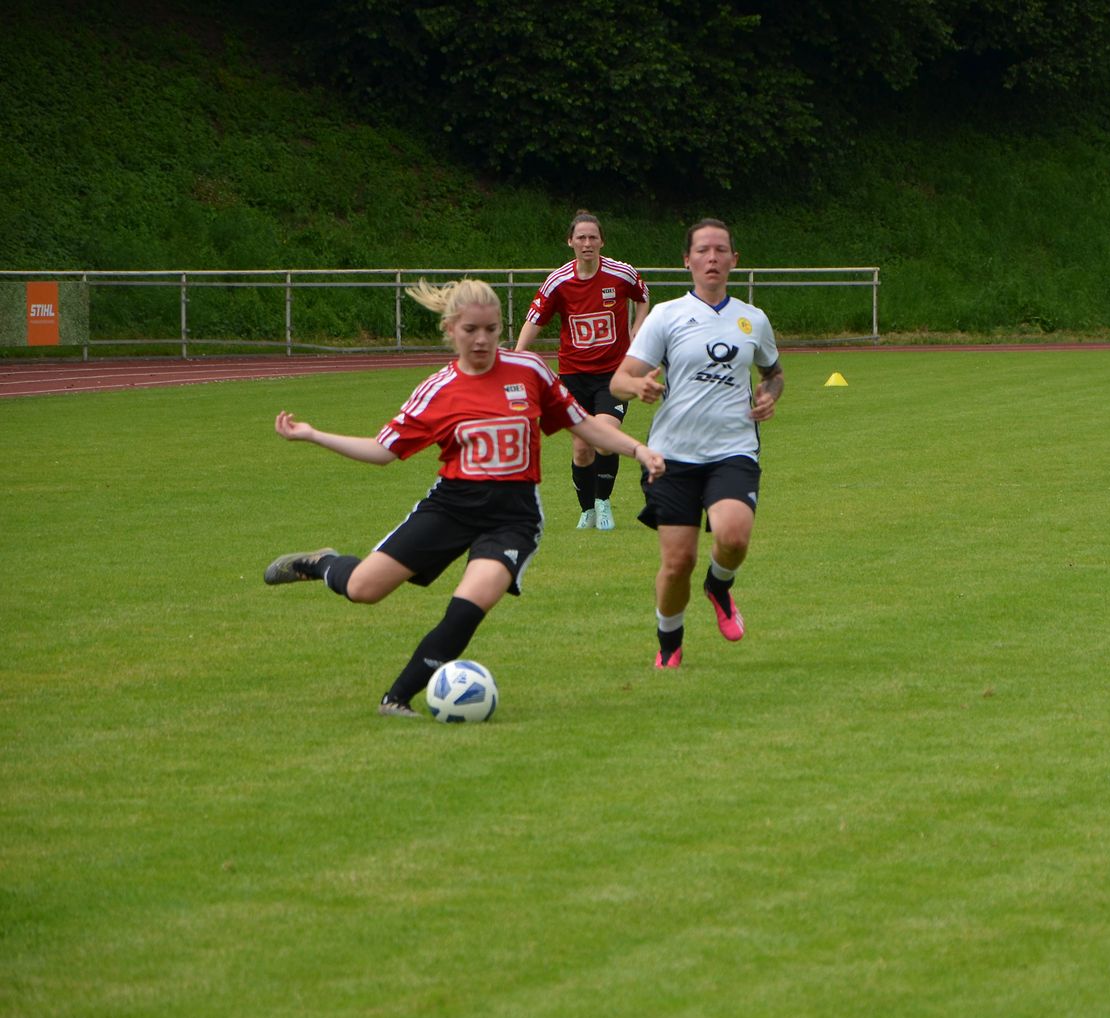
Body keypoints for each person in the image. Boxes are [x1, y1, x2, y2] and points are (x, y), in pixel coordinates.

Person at [264, 278, 666, 718]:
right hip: (451, 507)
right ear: (451, 329)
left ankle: (396, 699)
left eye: (492, 329)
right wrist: (313, 435)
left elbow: (583, 424)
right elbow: (382, 452)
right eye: (471, 329)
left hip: (513, 518)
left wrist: (637, 449)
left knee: (467, 607)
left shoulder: (529, 371)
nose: (482, 340)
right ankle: (321, 562)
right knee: (363, 589)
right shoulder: (438, 389)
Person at [610, 218, 784, 669]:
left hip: (733, 449)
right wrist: (639, 388)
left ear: (733, 260)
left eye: (721, 250)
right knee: (677, 562)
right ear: (687, 260)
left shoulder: (753, 319)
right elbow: (619, 380)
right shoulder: (666, 315)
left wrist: (770, 396)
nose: (712, 257)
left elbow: (774, 373)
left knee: (733, 536)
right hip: (672, 456)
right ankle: (669, 644)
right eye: (703, 250)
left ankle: (719, 586)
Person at [515, 210, 652, 530]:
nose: (587, 243)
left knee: (605, 438)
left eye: (593, 237)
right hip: (573, 376)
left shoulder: (622, 274)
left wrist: (636, 331)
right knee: (581, 448)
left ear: (602, 241)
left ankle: (604, 504)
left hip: (613, 376)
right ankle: (587, 510)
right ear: (570, 242)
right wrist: (517, 357)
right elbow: (535, 319)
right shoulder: (558, 282)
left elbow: (643, 298)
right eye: (581, 238)